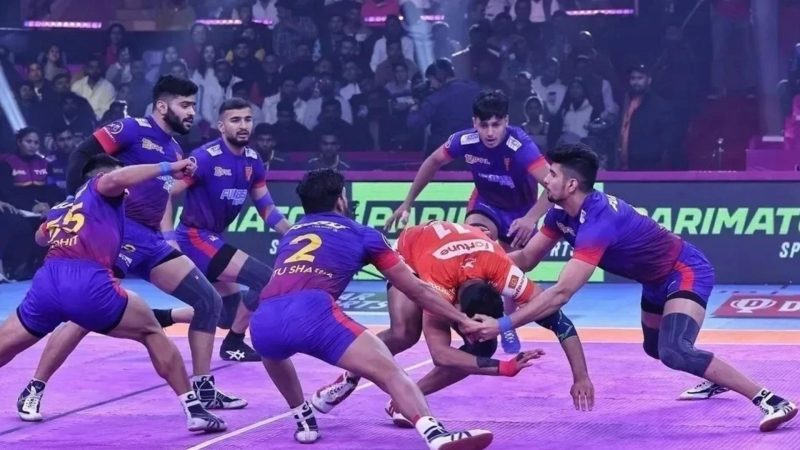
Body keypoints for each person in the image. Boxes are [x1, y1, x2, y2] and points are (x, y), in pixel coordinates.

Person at [471, 143, 798, 433]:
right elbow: (526, 258)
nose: (545, 179)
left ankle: (771, 399)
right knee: (655, 349)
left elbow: (561, 294)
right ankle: (715, 378)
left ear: (571, 185)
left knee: (675, 350)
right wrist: (478, 262)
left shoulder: (598, 222)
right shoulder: (560, 216)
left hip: (684, 269)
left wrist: (503, 325)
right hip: (654, 281)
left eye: (553, 174)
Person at [16, 76, 246, 422]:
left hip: (150, 241)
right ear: (162, 106)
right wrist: (77, 202)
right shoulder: (131, 128)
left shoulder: (174, 149)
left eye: (193, 105)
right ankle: (35, 386)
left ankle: (204, 387)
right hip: (118, 233)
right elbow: (82, 153)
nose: (191, 112)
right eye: (185, 105)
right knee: (83, 316)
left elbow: (161, 196)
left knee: (209, 302)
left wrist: (167, 236)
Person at [250, 169, 494, 449]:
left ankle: (302, 416)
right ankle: (435, 434)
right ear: (340, 201)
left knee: (274, 352)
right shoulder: (363, 234)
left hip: (263, 317)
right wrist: (460, 318)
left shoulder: (291, 233)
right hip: (312, 313)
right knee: (390, 372)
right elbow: (415, 289)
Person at [7, 154, 225, 432]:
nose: (126, 187)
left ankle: (34, 388)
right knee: (148, 331)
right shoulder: (102, 185)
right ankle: (194, 409)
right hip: (87, 280)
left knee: (6, 345)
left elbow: (40, 237)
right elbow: (116, 177)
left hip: (48, 280)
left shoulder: (65, 206)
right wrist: (169, 167)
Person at [312, 220, 594, 425]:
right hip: (412, 252)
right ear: (456, 308)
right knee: (405, 333)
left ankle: (407, 398)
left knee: (482, 349)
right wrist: (505, 368)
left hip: (463, 254)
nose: (471, 335)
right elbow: (440, 355)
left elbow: (561, 323)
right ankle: (349, 377)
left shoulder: (505, 273)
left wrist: (581, 377)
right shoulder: (438, 291)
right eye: (469, 329)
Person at [386, 89, 552, 353]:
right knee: (475, 246)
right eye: (484, 125)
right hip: (486, 205)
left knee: (509, 269)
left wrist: (531, 218)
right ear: (474, 122)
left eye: (496, 125)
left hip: (520, 211)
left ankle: (505, 324)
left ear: (506, 121)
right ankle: (467, 315)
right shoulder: (464, 140)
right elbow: (433, 161)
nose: (490, 132)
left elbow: (553, 185)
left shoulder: (521, 146)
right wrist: (408, 202)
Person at [156, 97, 291, 362]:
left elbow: (267, 209)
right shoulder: (204, 158)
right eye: (235, 120)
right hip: (193, 238)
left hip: (212, 239)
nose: (243, 126)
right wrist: (169, 239)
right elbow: (165, 194)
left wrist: (293, 232)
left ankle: (163, 316)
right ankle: (234, 343)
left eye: (248, 119)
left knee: (227, 314)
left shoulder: (253, 161)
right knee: (265, 279)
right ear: (221, 126)